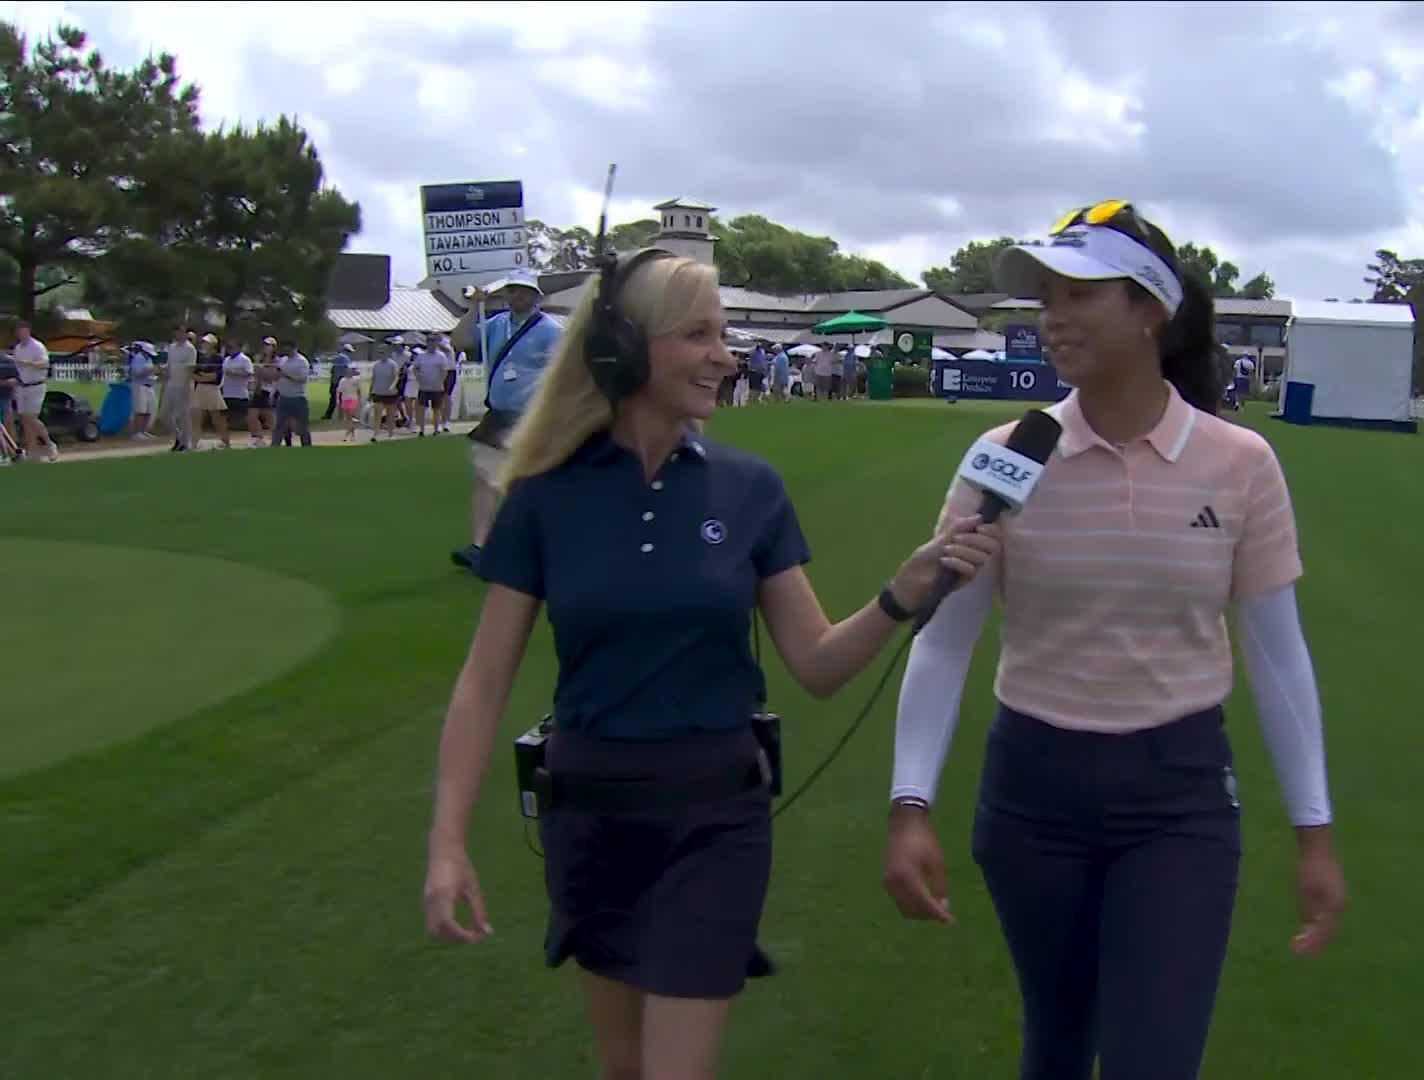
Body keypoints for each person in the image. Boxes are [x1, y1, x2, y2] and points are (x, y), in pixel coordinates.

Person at [421, 249, 1002, 1080]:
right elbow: (483, 686)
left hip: (714, 817)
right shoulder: (545, 497)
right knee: (625, 1069)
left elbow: (818, 664)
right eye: (698, 335)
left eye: (723, 336)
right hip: (588, 816)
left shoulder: (749, 489)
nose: (724, 357)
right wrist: (447, 841)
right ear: (625, 348)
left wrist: (898, 596)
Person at [883, 201, 1345, 1080]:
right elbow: (943, 643)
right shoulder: (1003, 457)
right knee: (1057, 1042)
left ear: (1149, 310)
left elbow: (1279, 657)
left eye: (1079, 294)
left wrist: (1313, 830)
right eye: (1046, 297)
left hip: (1178, 800)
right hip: (1032, 795)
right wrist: (910, 804)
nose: (1053, 317)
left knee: (1152, 1059)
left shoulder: (1241, 463)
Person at [452, 271, 564, 571]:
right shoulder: (496, 324)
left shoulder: (551, 331)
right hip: (499, 415)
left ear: (535, 296)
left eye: (522, 291)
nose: (516, 296)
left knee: (527, 483)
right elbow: (460, 340)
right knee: (485, 478)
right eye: (512, 291)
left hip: (532, 416)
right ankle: (481, 546)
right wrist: (474, 308)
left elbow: (563, 375)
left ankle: (534, 544)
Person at [9, 320, 58, 461]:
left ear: (28, 331)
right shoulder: (18, 348)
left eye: (23, 331)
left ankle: (50, 444)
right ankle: (32, 451)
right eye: (18, 331)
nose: (21, 334)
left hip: (36, 386)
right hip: (21, 387)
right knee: (25, 420)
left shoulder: (37, 346)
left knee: (31, 418)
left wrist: (29, 363)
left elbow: (44, 363)